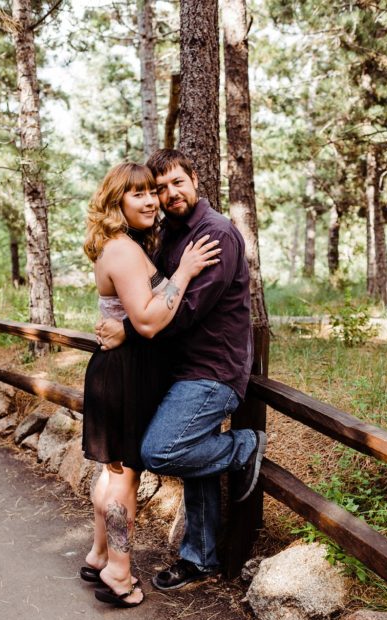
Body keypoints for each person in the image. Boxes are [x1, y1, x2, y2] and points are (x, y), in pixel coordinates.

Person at [96, 148, 267, 592]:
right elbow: (152, 304)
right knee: (137, 467)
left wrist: (126, 330)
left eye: (175, 183)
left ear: (195, 179)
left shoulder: (213, 235)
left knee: (149, 457)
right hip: (157, 371)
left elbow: (181, 311)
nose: (164, 196)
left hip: (203, 369)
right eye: (154, 189)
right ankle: (174, 559)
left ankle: (243, 448)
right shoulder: (155, 239)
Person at [80, 162, 221, 607]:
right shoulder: (122, 249)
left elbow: (128, 317)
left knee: (113, 472)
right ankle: (120, 573)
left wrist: (123, 325)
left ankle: (99, 553)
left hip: (118, 369)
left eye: (151, 192)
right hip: (123, 376)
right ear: (116, 202)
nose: (149, 201)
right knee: (125, 477)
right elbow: (147, 320)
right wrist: (184, 272)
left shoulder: (123, 245)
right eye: (136, 193)